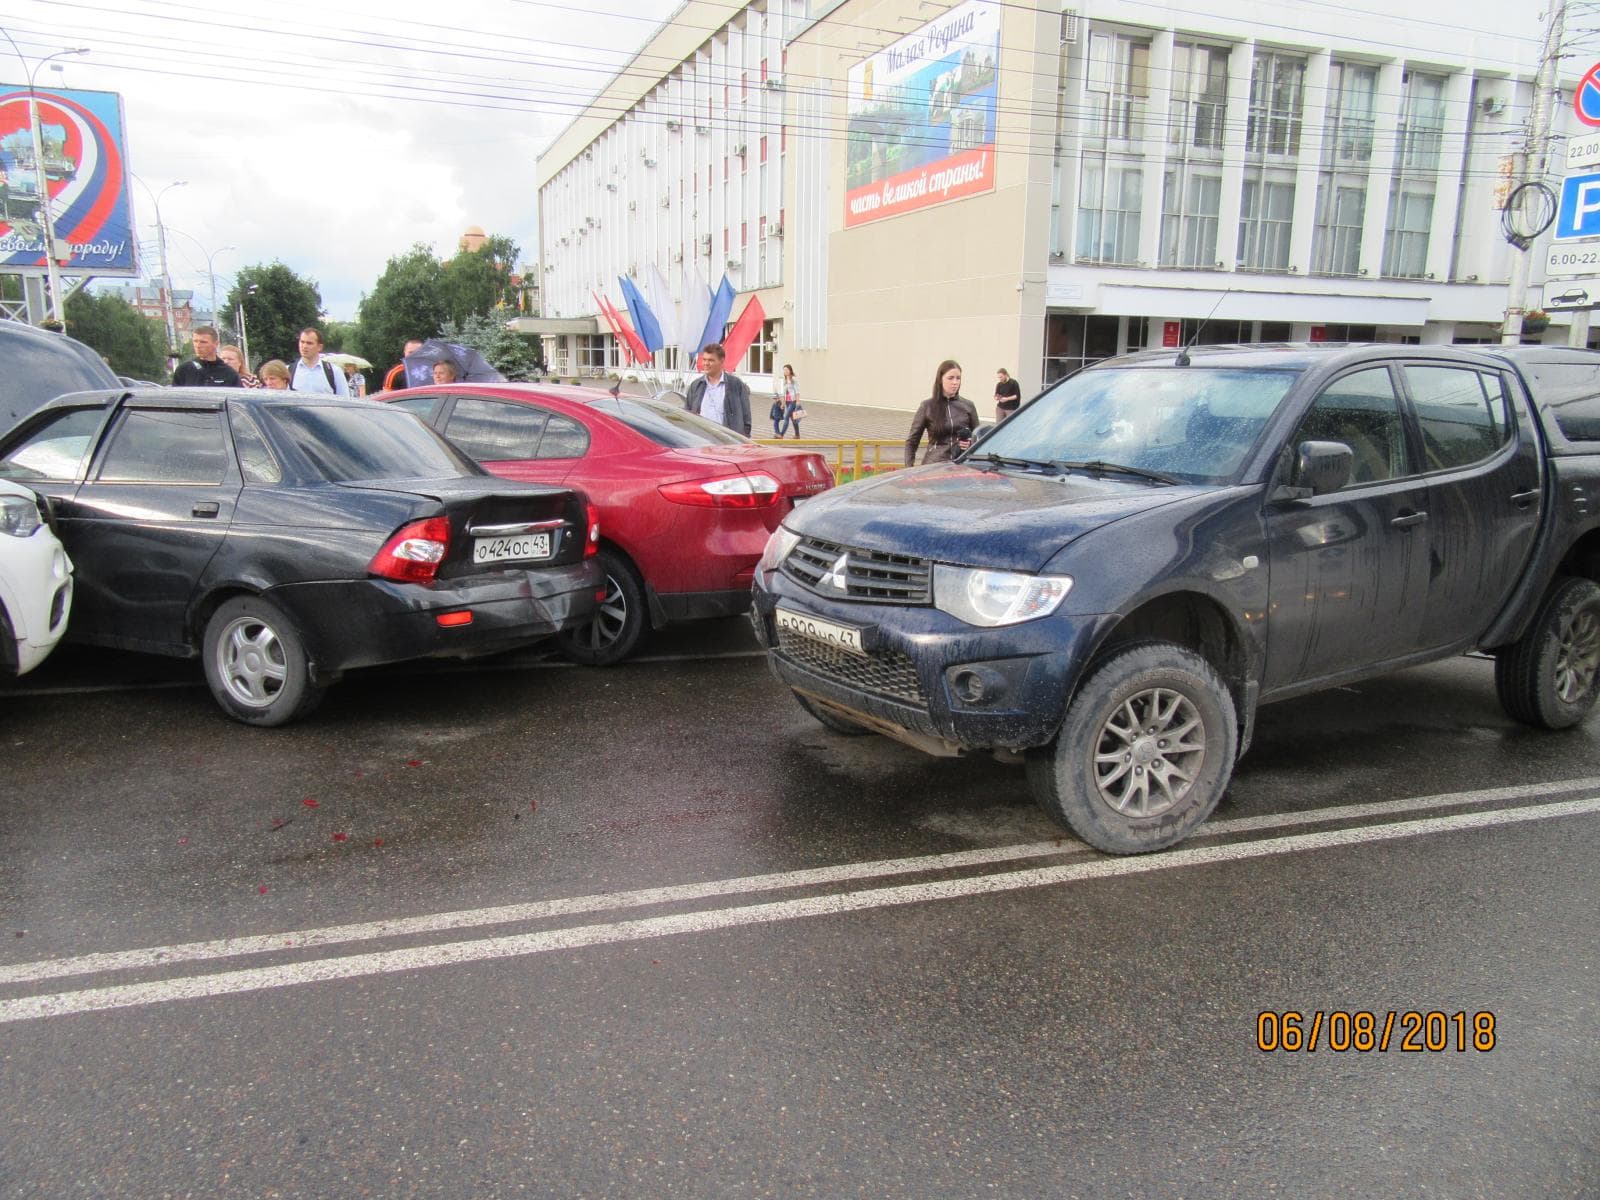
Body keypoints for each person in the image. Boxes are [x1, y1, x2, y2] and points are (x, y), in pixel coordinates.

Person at [905, 359, 980, 466]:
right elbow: (912, 441)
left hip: (961, 465)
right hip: (934, 465)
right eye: (950, 378)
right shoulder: (927, 406)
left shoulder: (968, 406)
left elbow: (979, 437)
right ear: (940, 379)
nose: (955, 382)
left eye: (958, 378)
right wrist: (909, 469)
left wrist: (970, 443)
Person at [684, 342, 751, 436]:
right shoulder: (696, 386)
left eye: (711, 360)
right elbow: (687, 415)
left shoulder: (736, 385)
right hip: (702, 439)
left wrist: (743, 439)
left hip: (727, 441)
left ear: (722, 361)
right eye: (704, 359)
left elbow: (746, 418)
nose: (706, 363)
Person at [171, 326, 241, 387]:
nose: (198, 346)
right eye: (195, 341)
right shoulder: (184, 370)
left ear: (216, 344)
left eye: (203, 342)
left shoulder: (229, 373)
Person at [288, 327, 349, 395]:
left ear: (319, 347)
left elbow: (345, 399)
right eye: (302, 342)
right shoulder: (288, 371)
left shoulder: (334, 372)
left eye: (309, 343)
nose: (304, 346)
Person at [779, 363, 804, 438]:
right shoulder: (784, 381)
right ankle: (797, 435)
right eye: (784, 370)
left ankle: (781, 434)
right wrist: (783, 403)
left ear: (790, 370)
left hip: (793, 401)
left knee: (786, 417)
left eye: (787, 370)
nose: (785, 371)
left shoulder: (793, 380)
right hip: (787, 402)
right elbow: (783, 393)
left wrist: (798, 401)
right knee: (793, 419)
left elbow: (797, 392)